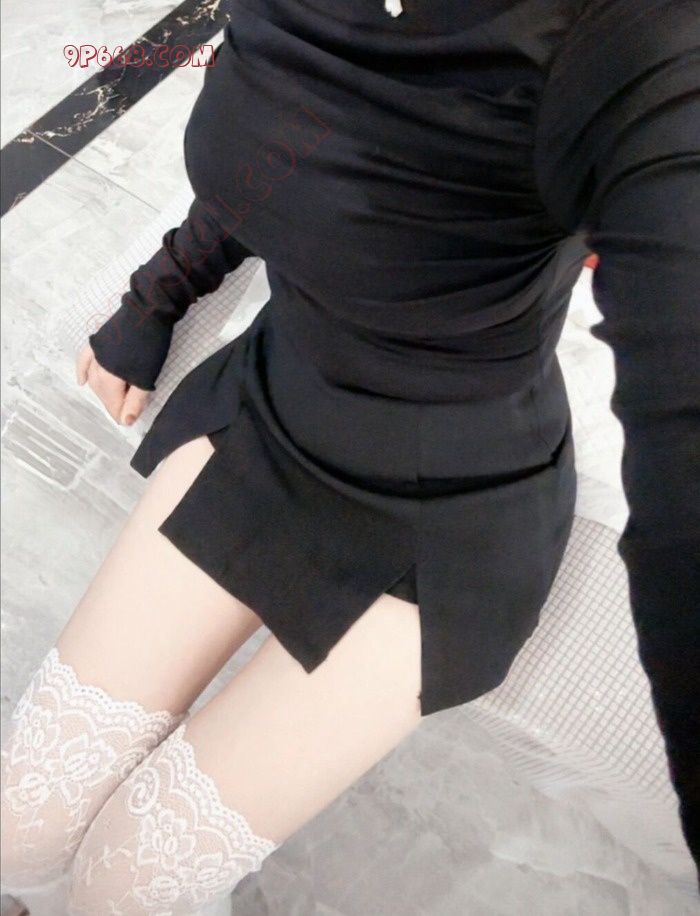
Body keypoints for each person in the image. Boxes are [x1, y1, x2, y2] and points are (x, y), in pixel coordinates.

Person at [2, 0, 698, 911]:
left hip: (449, 514)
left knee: (123, 885)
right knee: (21, 827)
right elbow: (292, 141)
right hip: (272, 408)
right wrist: (159, 292)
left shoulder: (634, 37)